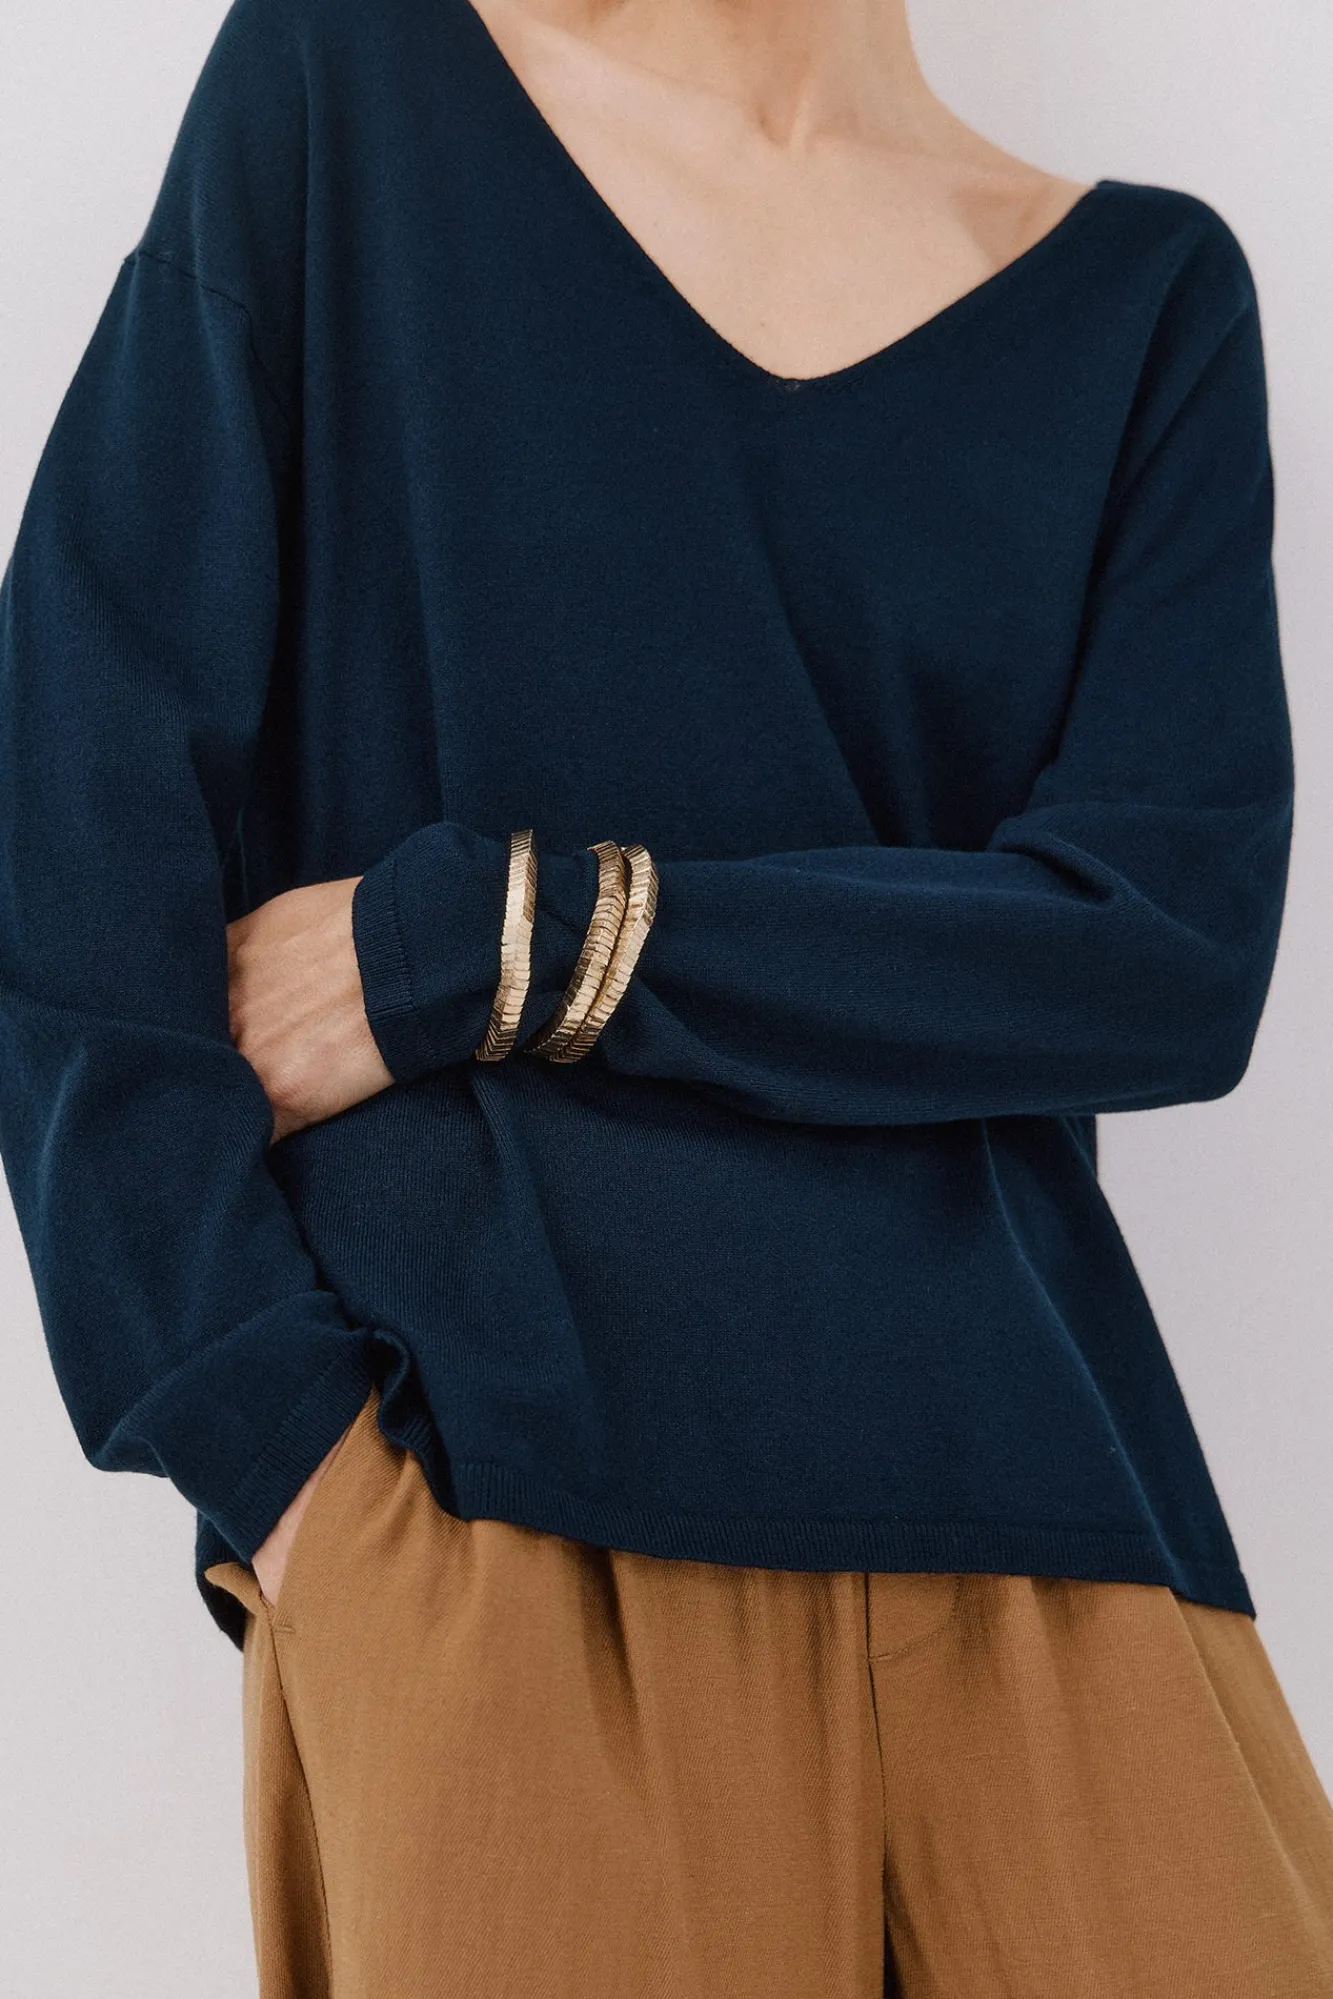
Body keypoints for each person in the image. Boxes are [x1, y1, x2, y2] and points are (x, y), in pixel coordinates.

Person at [1, 0, 1330, 1990]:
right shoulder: (346, 89)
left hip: (1055, 1520)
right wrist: (277, 1462)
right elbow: (76, 805)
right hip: (499, 1515)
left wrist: (492, 941)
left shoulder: (1140, 299)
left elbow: (1167, 950)